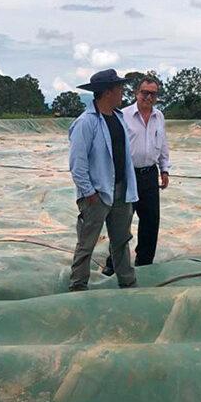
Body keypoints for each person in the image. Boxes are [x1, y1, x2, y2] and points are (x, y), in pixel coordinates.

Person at [68, 69, 138, 291]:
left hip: (120, 191)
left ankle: (127, 283)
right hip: (96, 196)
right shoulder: (85, 123)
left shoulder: (118, 118)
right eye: (119, 89)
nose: (122, 93)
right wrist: (89, 193)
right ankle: (78, 286)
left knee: (121, 242)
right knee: (86, 244)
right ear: (107, 92)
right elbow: (77, 165)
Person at [103, 75, 170, 275]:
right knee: (122, 222)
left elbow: (164, 145)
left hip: (150, 174)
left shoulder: (159, 117)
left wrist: (164, 169)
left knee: (150, 222)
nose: (148, 97)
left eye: (153, 94)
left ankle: (144, 263)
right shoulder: (122, 115)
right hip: (127, 176)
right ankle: (113, 264)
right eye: (144, 93)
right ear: (136, 93)